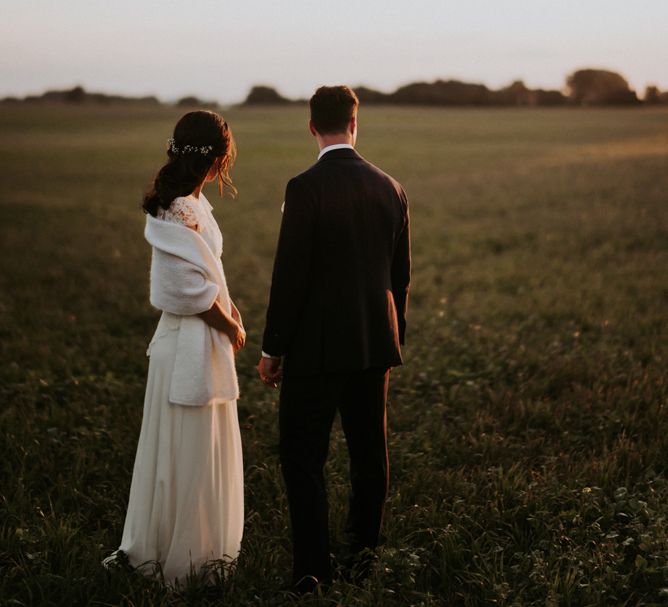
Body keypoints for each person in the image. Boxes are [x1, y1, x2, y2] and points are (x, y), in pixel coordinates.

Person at [257, 86, 411, 593]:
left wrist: (272, 349)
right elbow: (400, 277)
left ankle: (311, 573)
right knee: (370, 456)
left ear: (311, 127)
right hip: (373, 345)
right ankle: (362, 561)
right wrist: (393, 337)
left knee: (303, 459)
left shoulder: (305, 187)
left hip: (316, 351)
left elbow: (289, 276)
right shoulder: (391, 187)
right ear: (354, 123)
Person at [105, 110, 245, 584]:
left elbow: (208, 273)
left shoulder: (192, 205)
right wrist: (229, 325)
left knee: (189, 450)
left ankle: (188, 550)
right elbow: (185, 288)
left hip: (190, 341)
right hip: (187, 341)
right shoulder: (180, 208)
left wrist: (231, 307)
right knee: (185, 452)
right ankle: (183, 562)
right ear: (220, 157)